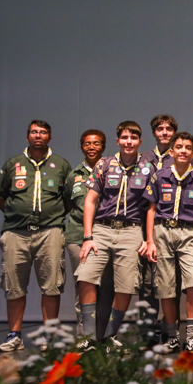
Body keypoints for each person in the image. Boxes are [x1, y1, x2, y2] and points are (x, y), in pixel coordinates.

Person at [0, 120, 71, 352]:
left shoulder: (61, 165)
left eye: (43, 132)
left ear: (50, 137)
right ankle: (14, 336)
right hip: (16, 232)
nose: (38, 135)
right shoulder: (13, 164)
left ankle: (50, 336)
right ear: (28, 137)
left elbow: (67, 201)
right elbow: (0, 198)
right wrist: (19, 215)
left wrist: (50, 216)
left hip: (50, 232)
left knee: (52, 285)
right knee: (14, 285)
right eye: (34, 132)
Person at [75, 121, 154, 352]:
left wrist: (148, 239)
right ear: (118, 140)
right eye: (125, 137)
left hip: (131, 231)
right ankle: (89, 336)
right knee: (86, 277)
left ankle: (109, 336)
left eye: (133, 138)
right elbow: (90, 201)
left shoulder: (148, 168)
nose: (129, 142)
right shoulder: (104, 164)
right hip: (101, 229)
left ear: (139, 142)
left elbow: (151, 207)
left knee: (126, 286)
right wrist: (88, 236)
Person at [144, 132, 193, 355]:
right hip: (162, 231)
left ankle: (191, 338)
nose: (183, 150)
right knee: (166, 285)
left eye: (187, 147)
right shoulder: (160, 176)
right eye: (179, 147)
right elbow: (151, 210)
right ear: (171, 151)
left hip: (189, 233)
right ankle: (172, 337)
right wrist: (150, 240)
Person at [65, 130, 109, 338]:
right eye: (87, 144)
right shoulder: (74, 175)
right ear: (82, 146)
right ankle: (85, 335)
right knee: (82, 285)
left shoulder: (113, 169)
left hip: (106, 235)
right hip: (77, 237)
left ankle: (104, 334)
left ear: (104, 146)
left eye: (96, 143)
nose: (92, 147)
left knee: (106, 288)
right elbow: (67, 204)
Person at [139, 114, 179, 343]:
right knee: (147, 282)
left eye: (168, 129)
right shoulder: (142, 158)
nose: (164, 132)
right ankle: (148, 330)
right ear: (154, 132)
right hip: (145, 224)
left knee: (170, 282)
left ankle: (170, 329)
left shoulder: (182, 156)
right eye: (160, 129)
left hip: (170, 226)